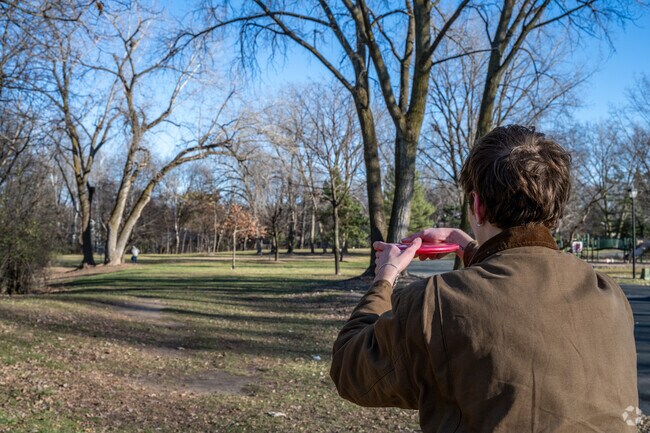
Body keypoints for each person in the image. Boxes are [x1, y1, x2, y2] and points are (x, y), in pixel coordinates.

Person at [330, 125, 638, 432]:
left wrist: (385, 276)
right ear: (556, 206)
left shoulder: (438, 303)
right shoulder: (609, 294)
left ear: (477, 206)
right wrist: (468, 246)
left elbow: (350, 369)